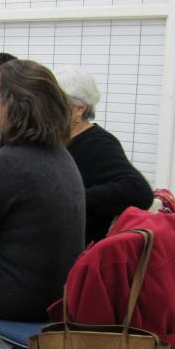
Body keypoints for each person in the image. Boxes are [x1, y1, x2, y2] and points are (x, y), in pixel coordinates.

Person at [0, 60, 85, 321]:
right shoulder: (60, 154)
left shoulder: (5, 163)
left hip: (16, 298)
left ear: (11, 104)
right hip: (56, 294)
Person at [55, 66, 153, 245]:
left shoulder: (98, 143)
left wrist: (73, 198)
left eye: (56, 102)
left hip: (78, 251)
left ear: (80, 109)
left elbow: (140, 192)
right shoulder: (56, 139)